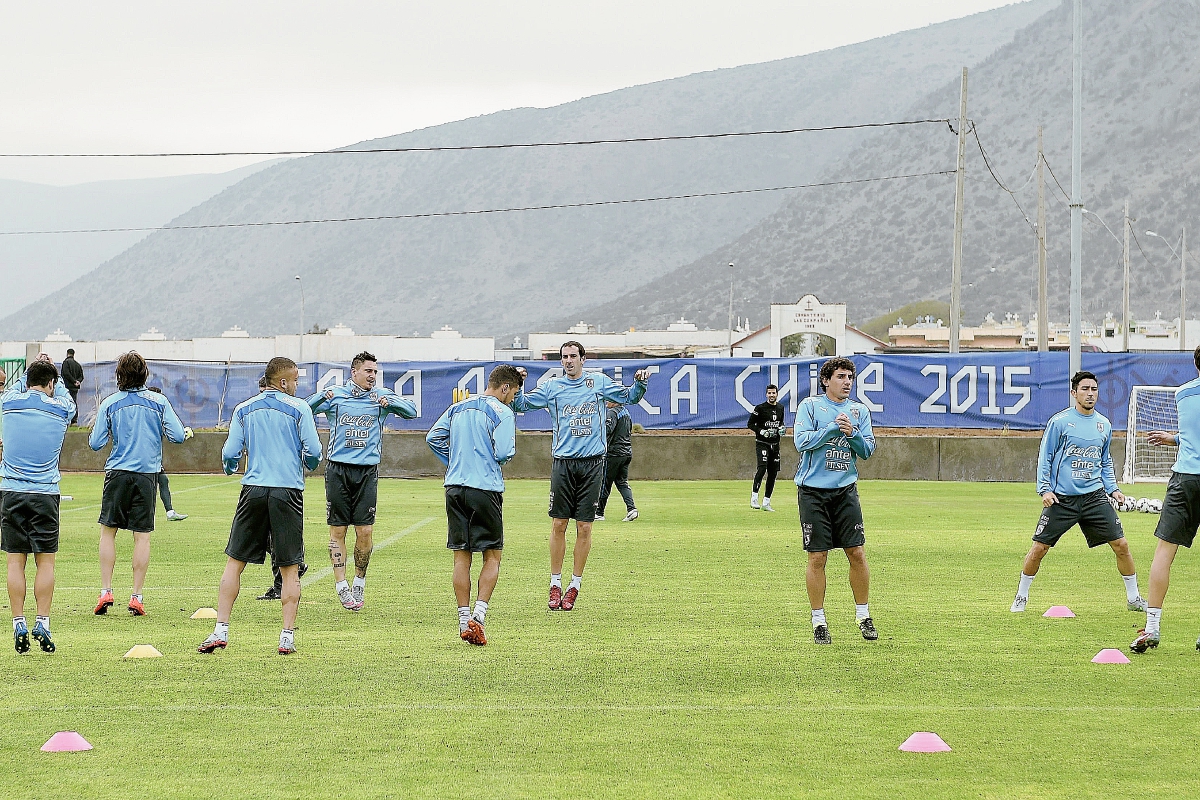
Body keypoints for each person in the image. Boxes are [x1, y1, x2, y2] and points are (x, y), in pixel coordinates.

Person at [199, 357, 322, 656]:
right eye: (294, 380)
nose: (296, 385)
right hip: (287, 491)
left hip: (252, 490)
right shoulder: (299, 409)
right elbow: (315, 451)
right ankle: (286, 637)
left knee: (235, 562)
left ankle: (221, 629)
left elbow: (230, 453)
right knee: (290, 567)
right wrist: (306, 463)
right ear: (282, 382)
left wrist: (231, 467)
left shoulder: (243, 409)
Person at [513, 342, 649, 611]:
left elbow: (630, 397)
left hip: (592, 465)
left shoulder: (597, 382)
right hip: (563, 464)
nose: (568, 361)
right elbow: (523, 404)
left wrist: (640, 383)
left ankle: (574, 585)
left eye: (573, 356)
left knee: (585, 526)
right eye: (564, 357)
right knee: (559, 524)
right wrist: (519, 383)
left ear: (583, 359)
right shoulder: (552, 388)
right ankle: (555, 583)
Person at [1010, 371, 1142, 614]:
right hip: (1062, 499)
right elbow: (1045, 457)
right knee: (1039, 549)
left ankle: (1134, 598)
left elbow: (1104, 461)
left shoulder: (1104, 425)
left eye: (1094, 389)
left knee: (1121, 544)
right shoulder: (1059, 422)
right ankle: (1021, 596)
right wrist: (1044, 489)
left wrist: (1113, 489)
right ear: (1074, 393)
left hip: (1094, 498)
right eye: (1085, 389)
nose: (1090, 394)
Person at [307, 351, 416, 611]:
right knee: (338, 530)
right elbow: (304, 409)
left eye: (375, 372)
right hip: (338, 470)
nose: (373, 376)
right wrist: (323, 396)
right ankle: (341, 586)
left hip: (367, 471)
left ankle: (359, 581)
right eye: (368, 371)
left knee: (364, 531)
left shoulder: (380, 398)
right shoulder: (337, 395)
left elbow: (411, 412)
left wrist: (389, 402)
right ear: (354, 372)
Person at [426, 365, 521, 645]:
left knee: (461, 556)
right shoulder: (502, 413)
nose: (512, 399)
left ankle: (461, 619)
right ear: (504, 388)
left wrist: (453, 460)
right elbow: (504, 452)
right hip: (485, 488)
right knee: (492, 555)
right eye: (513, 394)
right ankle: (478, 617)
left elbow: (433, 438)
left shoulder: (458, 407)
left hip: (454, 487)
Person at [88, 352, 190, 616]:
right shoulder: (159, 402)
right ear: (145, 374)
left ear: (119, 375)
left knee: (108, 531)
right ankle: (136, 595)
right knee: (142, 536)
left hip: (117, 473)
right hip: (147, 475)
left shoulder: (110, 403)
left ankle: (106, 591)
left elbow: (95, 443)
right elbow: (178, 436)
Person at [794, 356, 877, 645]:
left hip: (845, 491)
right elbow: (800, 441)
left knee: (857, 553)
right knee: (818, 556)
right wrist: (832, 428)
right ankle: (819, 621)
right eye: (841, 377)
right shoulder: (810, 406)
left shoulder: (859, 411)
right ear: (826, 380)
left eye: (850, 378)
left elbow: (867, 450)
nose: (847, 383)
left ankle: (863, 615)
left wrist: (851, 433)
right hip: (813, 491)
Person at [1, 359, 73, 653]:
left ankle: (19, 622)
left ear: (27, 379)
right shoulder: (61, 409)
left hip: (10, 491)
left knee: (15, 561)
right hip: (45, 493)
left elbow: (17, 388)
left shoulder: (8, 403)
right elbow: (66, 397)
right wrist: (53, 371)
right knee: (46, 561)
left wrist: (33, 371)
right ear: (52, 384)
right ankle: (42, 621)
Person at [1131, 346, 1200, 653]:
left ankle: (1153, 627)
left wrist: (1174, 439)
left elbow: (1193, 432)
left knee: (1164, 553)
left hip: (1185, 479)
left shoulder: (1182, 395)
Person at [147, 388, 188, 521]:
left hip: (153, 457)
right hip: (146, 458)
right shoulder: (150, 411)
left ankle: (170, 512)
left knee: (162, 480)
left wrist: (183, 434)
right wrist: (184, 434)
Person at [747, 383, 787, 511]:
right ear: (766, 394)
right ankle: (754, 498)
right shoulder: (760, 408)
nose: (771, 395)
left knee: (773, 472)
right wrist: (761, 431)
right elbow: (750, 424)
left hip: (775, 445)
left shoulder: (781, 408)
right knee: (762, 468)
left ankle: (766, 502)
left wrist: (782, 429)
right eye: (769, 393)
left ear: (777, 394)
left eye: (773, 393)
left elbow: (780, 423)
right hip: (762, 443)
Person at [596, 400, 637, 521]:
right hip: (626, 452)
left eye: (609, 399)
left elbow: (607, 430)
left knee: (604, 482)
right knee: (622, 482)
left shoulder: (612, 413)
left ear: (615, 401)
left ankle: (599, 512)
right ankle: (631, 509)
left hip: (613, 453)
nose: (606, 401)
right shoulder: (625, 412)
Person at [60, 348, 84, 425]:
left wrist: (73, 381)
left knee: (66, 402)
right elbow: (81, 376)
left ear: (67, 354)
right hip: (75, 388)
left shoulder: (65, 363)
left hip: (67, 386)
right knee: (74, 402)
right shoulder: (77, 364)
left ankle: (67, 419)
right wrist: (77, 381)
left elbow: (66, 374)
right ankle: (74, 420)